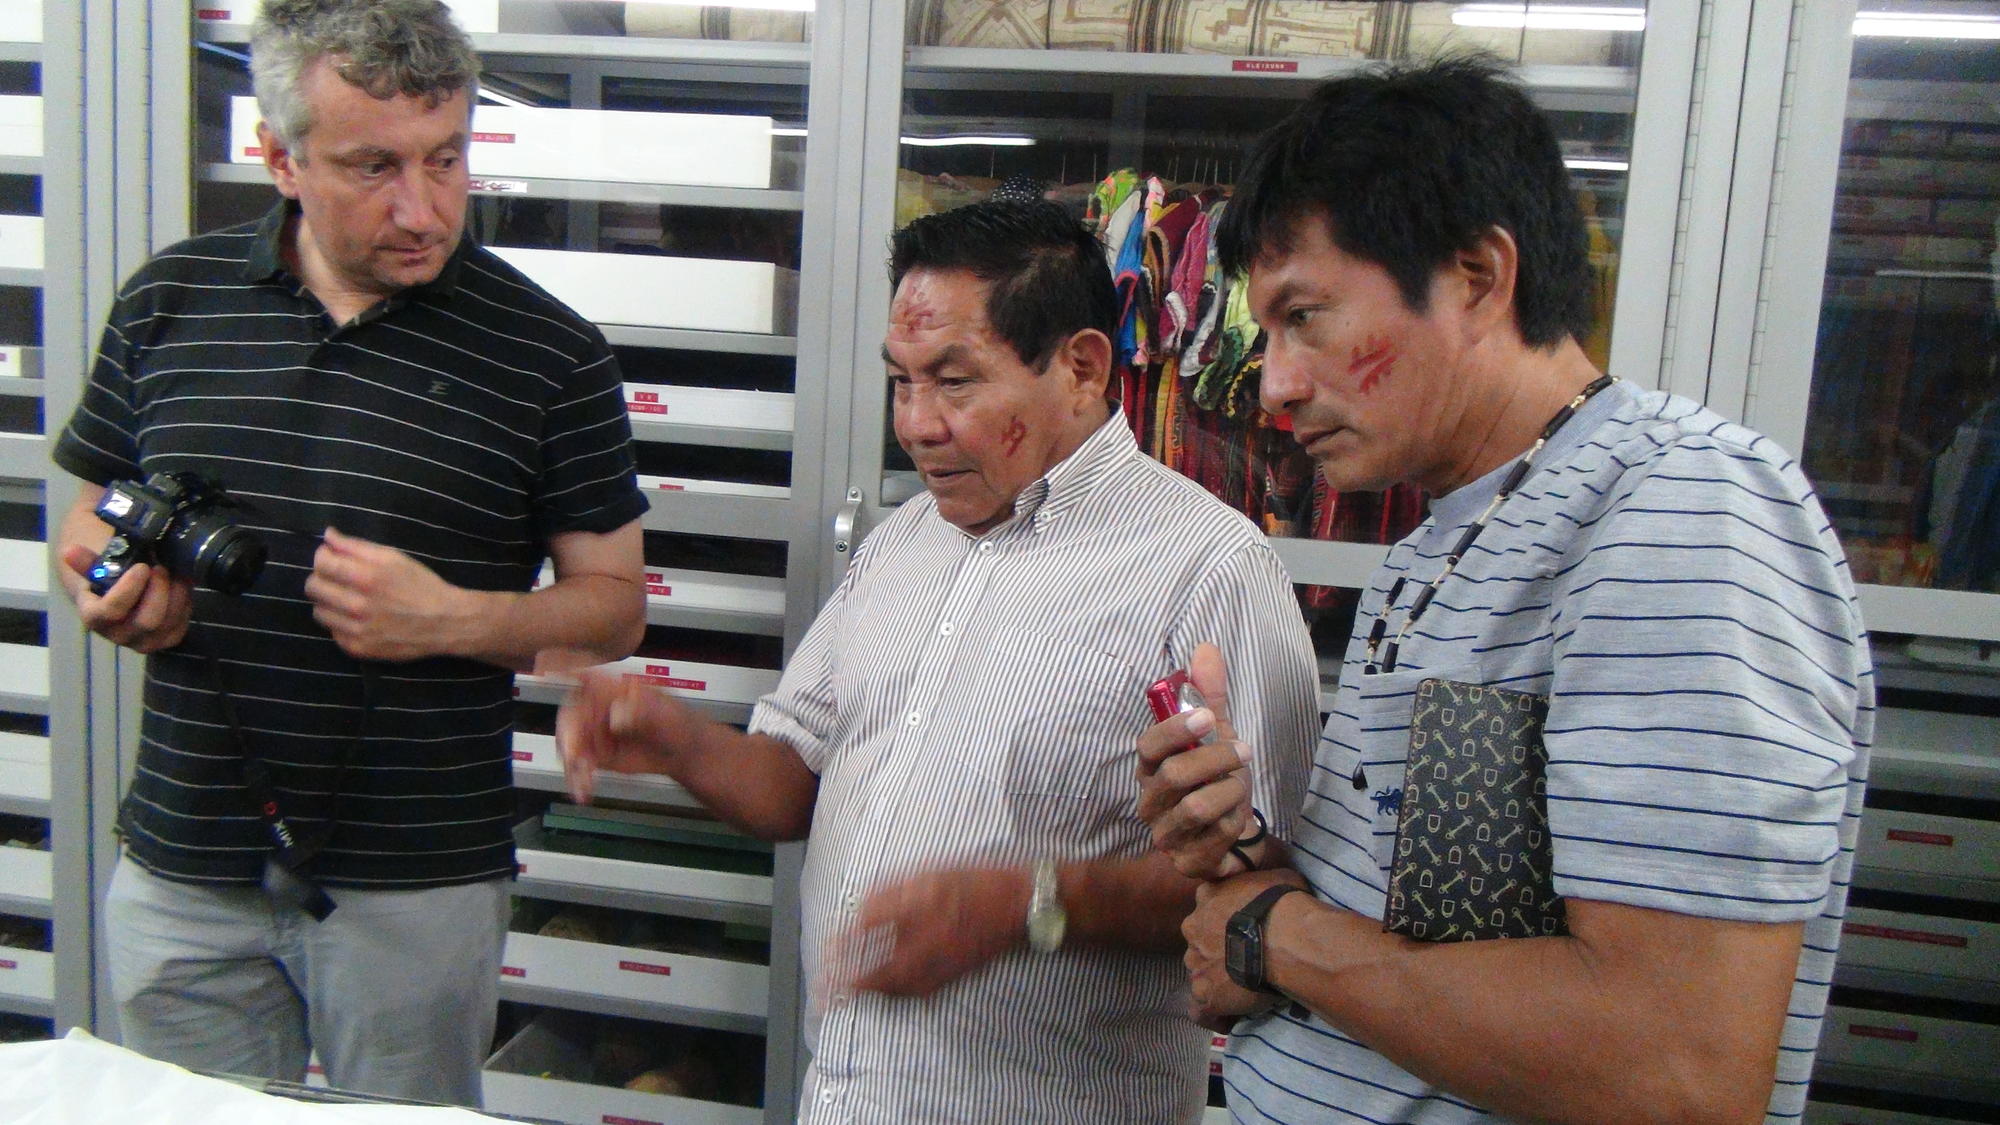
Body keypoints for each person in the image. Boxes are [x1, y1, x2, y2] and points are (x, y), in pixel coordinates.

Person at [1136, 57, 1874, 1125]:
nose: (1278, 383)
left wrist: (1269, 933)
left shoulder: (1675, 513)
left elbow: (1676, 1069)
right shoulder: (1441, 543)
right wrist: (1244, 848)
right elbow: (1434, 935)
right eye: (1265, 334)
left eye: (1305, 318)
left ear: (1478, 277)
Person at [557, 199, 1320, 1123]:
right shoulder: (901, 544)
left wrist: (1025, 907)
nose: (915, 423)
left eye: (955, 382)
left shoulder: (1208, 569)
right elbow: (795, 781)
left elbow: (1257, 898)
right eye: (901, 381)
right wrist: (674, 735)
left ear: (1080, 368)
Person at [50, 0, 646, 1106]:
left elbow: (612, 607)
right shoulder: (167, 303)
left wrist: (451, 621)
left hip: (414, 879)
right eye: (373, 166)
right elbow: (84, 522)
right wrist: (107, 588)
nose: (422, 207)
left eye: (447, 158)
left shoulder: (548, 353)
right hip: (186, 856)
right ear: (278, 156)